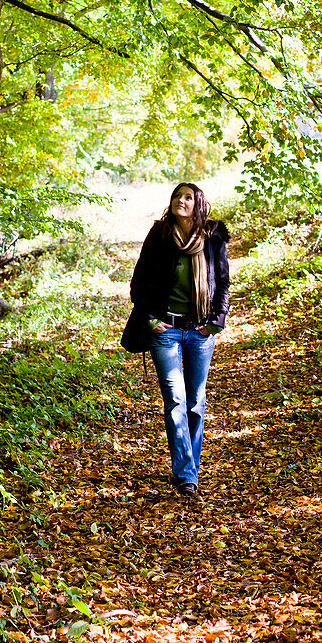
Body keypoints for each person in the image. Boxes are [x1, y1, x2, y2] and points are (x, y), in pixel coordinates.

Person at [126, 183, 230, 498]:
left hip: (200, 330)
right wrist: (151, 320)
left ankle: (188, 468)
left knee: (196, 402)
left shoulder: (213, 236)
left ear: (198, 204)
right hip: (165, 330)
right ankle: (186, 474)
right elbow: (138, 282)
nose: (180, 201)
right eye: (176, 196)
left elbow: (223, 282)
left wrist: (217, 321)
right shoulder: (159, 236)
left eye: (187, 197)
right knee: (176, 400)